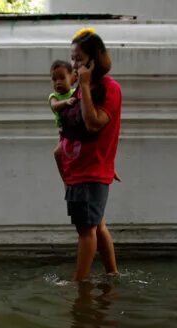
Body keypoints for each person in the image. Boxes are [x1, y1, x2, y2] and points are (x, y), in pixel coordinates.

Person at [57, 28, 122, 282]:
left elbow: (94, 124)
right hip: (79, 168)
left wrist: (83, 84)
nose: (74, 65)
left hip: (89, 171)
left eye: (80, 59)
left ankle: (79, 284)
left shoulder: (108, 88)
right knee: (98, 225)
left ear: (94, 59)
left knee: (86, 231)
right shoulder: (83, 87)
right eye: (72, 59)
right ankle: (112, 275)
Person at [48, 59, 76, 182]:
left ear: (72, 77)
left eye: (62, 78)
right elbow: (54, 106)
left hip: (77, 130)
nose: (58, 82)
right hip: (65, 133)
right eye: (54, 79)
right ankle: (65, 178)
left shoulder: (76, 92)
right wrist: (66, 102)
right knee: (58, 153)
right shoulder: (54, 96)